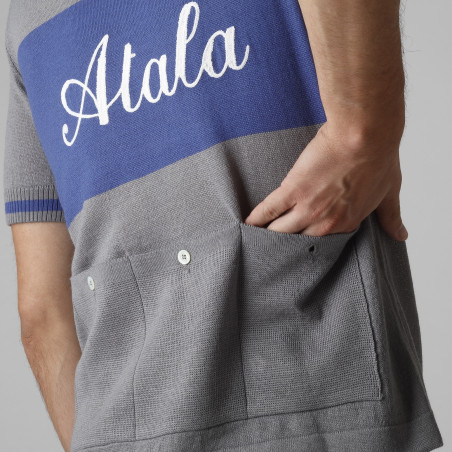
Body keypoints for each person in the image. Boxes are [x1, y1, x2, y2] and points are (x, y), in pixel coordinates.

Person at [3, 0, 444, 451]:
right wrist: (362, 131)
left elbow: (42, 315)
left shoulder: (24, 26)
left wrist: (362, 133)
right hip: (315, 408)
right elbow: (40, 315)